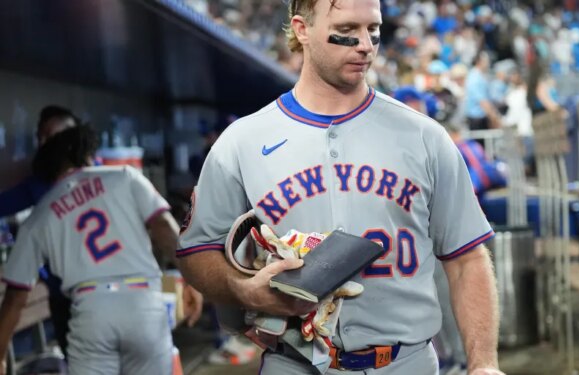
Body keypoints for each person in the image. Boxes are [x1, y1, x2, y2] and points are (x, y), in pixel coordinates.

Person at [176, 1, 504, 374]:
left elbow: (467, 259)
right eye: (347, 31)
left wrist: (483, 365)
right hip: (294, 361)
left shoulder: (425, 137)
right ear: (302, 30)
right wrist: (241, 289)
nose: (365, 44)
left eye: (374, 30)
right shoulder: (243, 141)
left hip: (404, 362)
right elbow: (196, 251)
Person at [0, 125, 202, 374]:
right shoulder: (125, 176)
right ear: (83, 154)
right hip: (142, 302)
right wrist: (192, 279)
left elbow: (15, 297)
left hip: (91, 309)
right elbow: (163, 228)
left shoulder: (40, 214)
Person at [0, 105, 78, 359]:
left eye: (52, 135)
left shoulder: (106, 176)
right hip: (64, 298)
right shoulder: (39, 184)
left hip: (110, 294)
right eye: (40, 136)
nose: (44, 142)